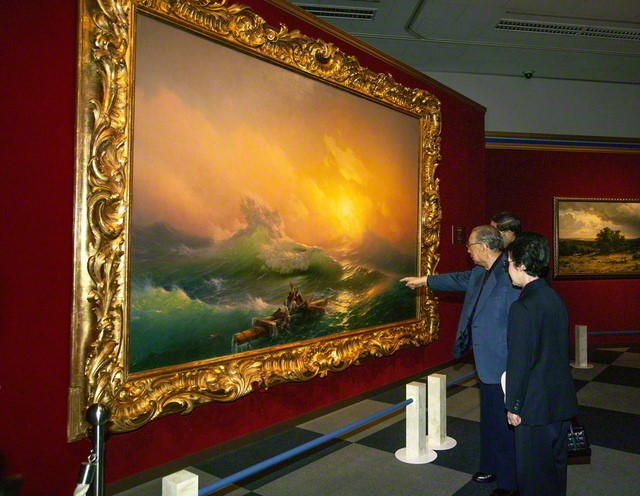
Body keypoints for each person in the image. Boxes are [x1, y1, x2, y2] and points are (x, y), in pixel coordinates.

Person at [401, 225, 520, 496]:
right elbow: (456, 280)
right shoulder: (479, 272)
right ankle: (489, 466)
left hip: (503, 361)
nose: (467, 250)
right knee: (489, 419)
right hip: (484, 360)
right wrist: (424, 280)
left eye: (470, 245)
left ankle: (508, 483)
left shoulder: (510, 272)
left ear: (484, 247)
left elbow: (520, 321)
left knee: (506, 424)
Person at [504, 233, 579, 496]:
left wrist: (513, 405)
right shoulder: (554, 298)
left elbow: (519, 363)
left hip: (534, 407)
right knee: (555, 471)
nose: (507, 268)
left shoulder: (522, 307)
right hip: (560, 400)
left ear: (522, 265)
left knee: (533, 477)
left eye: (509, 262)